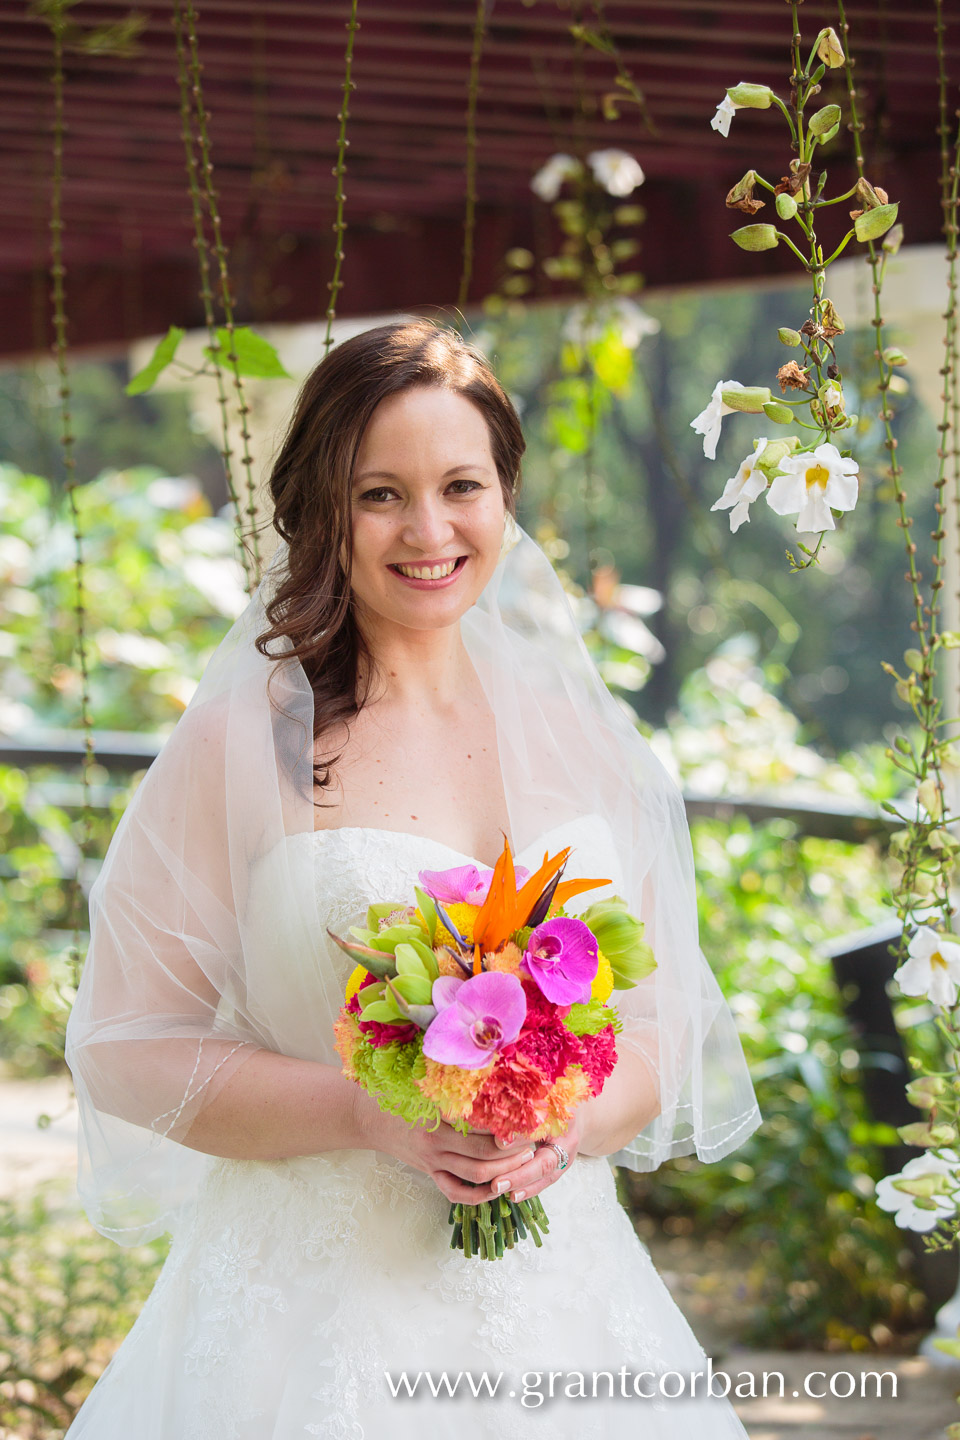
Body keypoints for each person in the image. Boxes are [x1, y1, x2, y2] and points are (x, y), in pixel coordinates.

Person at [63, 318, 762, 1438]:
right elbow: (129, 1048)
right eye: (380, 493)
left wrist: (558, 1126)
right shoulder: (250, 745)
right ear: (320, 508)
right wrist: (370, 1113)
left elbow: (660, 1028)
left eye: (461, 485)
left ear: (505, 496)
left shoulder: (583, 737)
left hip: (568, 1307)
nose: (428, 529)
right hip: (313, 1319)